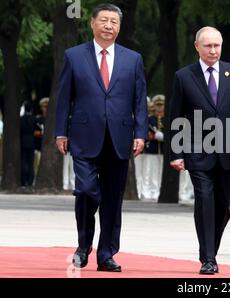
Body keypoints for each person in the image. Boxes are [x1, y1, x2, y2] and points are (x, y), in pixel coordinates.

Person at [54, 3, 148, 272]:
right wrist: (61, 131)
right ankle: (84, 245)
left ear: (119, 27)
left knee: (112, 200)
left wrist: (140, 133)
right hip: (83, 136)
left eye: (114, 22)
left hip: (119, 137)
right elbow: (64, 98)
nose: (109, 26)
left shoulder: (133, 59)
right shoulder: (74, 56)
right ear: (92, 23)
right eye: (104, 20)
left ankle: (107, 253)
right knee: (85, 191)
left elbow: (140, 100)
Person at [168, 26, 230, 274]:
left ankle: (210, 250)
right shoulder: (184, 77)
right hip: (197, 151)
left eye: (217, 45)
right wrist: (176, 153)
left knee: (222, 207)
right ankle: (208, 258)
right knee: (204, 200)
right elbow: (175, 117)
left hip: (229, 152)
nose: (213, 50)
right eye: (208, 46)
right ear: (197, 46)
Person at [20, 101, 36, 187]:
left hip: (23, 142)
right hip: (32, 142)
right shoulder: (34, 119)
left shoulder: (21, 119)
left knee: (23, 162)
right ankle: (30, 181)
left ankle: (23, 181)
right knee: (31, 163)